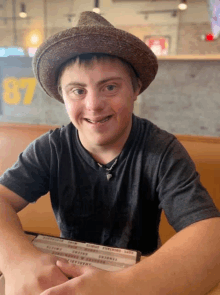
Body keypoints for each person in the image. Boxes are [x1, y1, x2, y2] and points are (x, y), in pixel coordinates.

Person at [0, 11, 220, 295]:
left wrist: (117, 286)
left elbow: (209, 234)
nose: (93, 105)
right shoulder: (51, 148)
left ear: (135, 89)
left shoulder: (161, 150)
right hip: (66, 273)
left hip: (138, 279)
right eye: (78, 90)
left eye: (110, 87)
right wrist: (17, 261)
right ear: (62, 96)